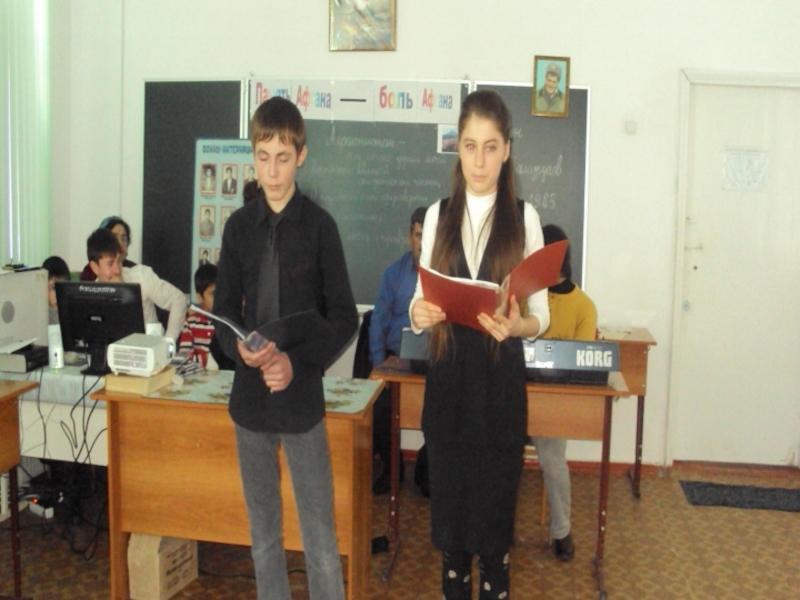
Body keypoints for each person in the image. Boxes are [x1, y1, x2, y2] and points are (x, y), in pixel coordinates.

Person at [213, 96, 358, 600]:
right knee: (263, 539)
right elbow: (222, 315)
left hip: (300, 401)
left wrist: (296, 363)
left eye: (282, 158)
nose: (272, 172)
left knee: (320, 541)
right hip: (250, 402)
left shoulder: (320, 228)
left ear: (301, 156)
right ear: (252, 156)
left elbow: (344, 318)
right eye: (262, 157)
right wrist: (239, 350)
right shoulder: (237, 228)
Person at [409, 89, 550, 600]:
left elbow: (542, 317)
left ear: (507, 150)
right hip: (448, 388)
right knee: (451, 539)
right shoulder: (438, 214)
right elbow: (419, 300)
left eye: (491, 147)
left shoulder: (525, 218)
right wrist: (418, 314)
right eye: (470, 146)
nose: (480, 161)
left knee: (493, 538)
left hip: (498, 393)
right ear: (458, 149)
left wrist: (517, 326)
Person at [533, 224, 597, 563]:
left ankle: (561, 531)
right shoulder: (526, 296)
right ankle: (495, 526)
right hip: (517, 392)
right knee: (493, 452)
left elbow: (581, 362)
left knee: (552, 460)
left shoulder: (583, 306)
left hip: (554, 401)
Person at [368, 206, 427, 495]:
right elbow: (378, 320)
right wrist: (379, 367)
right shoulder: (394, 273)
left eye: (428, 236)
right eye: (418, 235)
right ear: (409, 237)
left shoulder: (446, 275)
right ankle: (393, 469)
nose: (422, 243)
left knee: (442, 416)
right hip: (396, 359)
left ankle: (428, 470)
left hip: (431, 362)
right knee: (379, 411)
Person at [86, 228, 188, 342]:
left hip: (149, 348)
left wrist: (168, 342)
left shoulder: (141, 276)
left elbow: (178, 299)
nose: (117, 270)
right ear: (95, 267)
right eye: (110, 264)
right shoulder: (90, 295)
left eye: (119, 261)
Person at [179, 263, 234, 370]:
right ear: (199, 297)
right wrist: (208, 359)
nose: (218, 298)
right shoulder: (190, 323)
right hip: (199, 378)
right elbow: (183, 359)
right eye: (213, 294)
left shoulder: (228, 322)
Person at [79, 216, 136, 281]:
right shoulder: (88, 274)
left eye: (124, 239)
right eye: (114, 237)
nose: (120, 244)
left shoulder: (139, 273)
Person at [42, 256, 70, 324]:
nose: (59, 294)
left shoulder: (70, 313)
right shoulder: (40, 315)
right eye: (53, 288)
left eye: (63, 287)